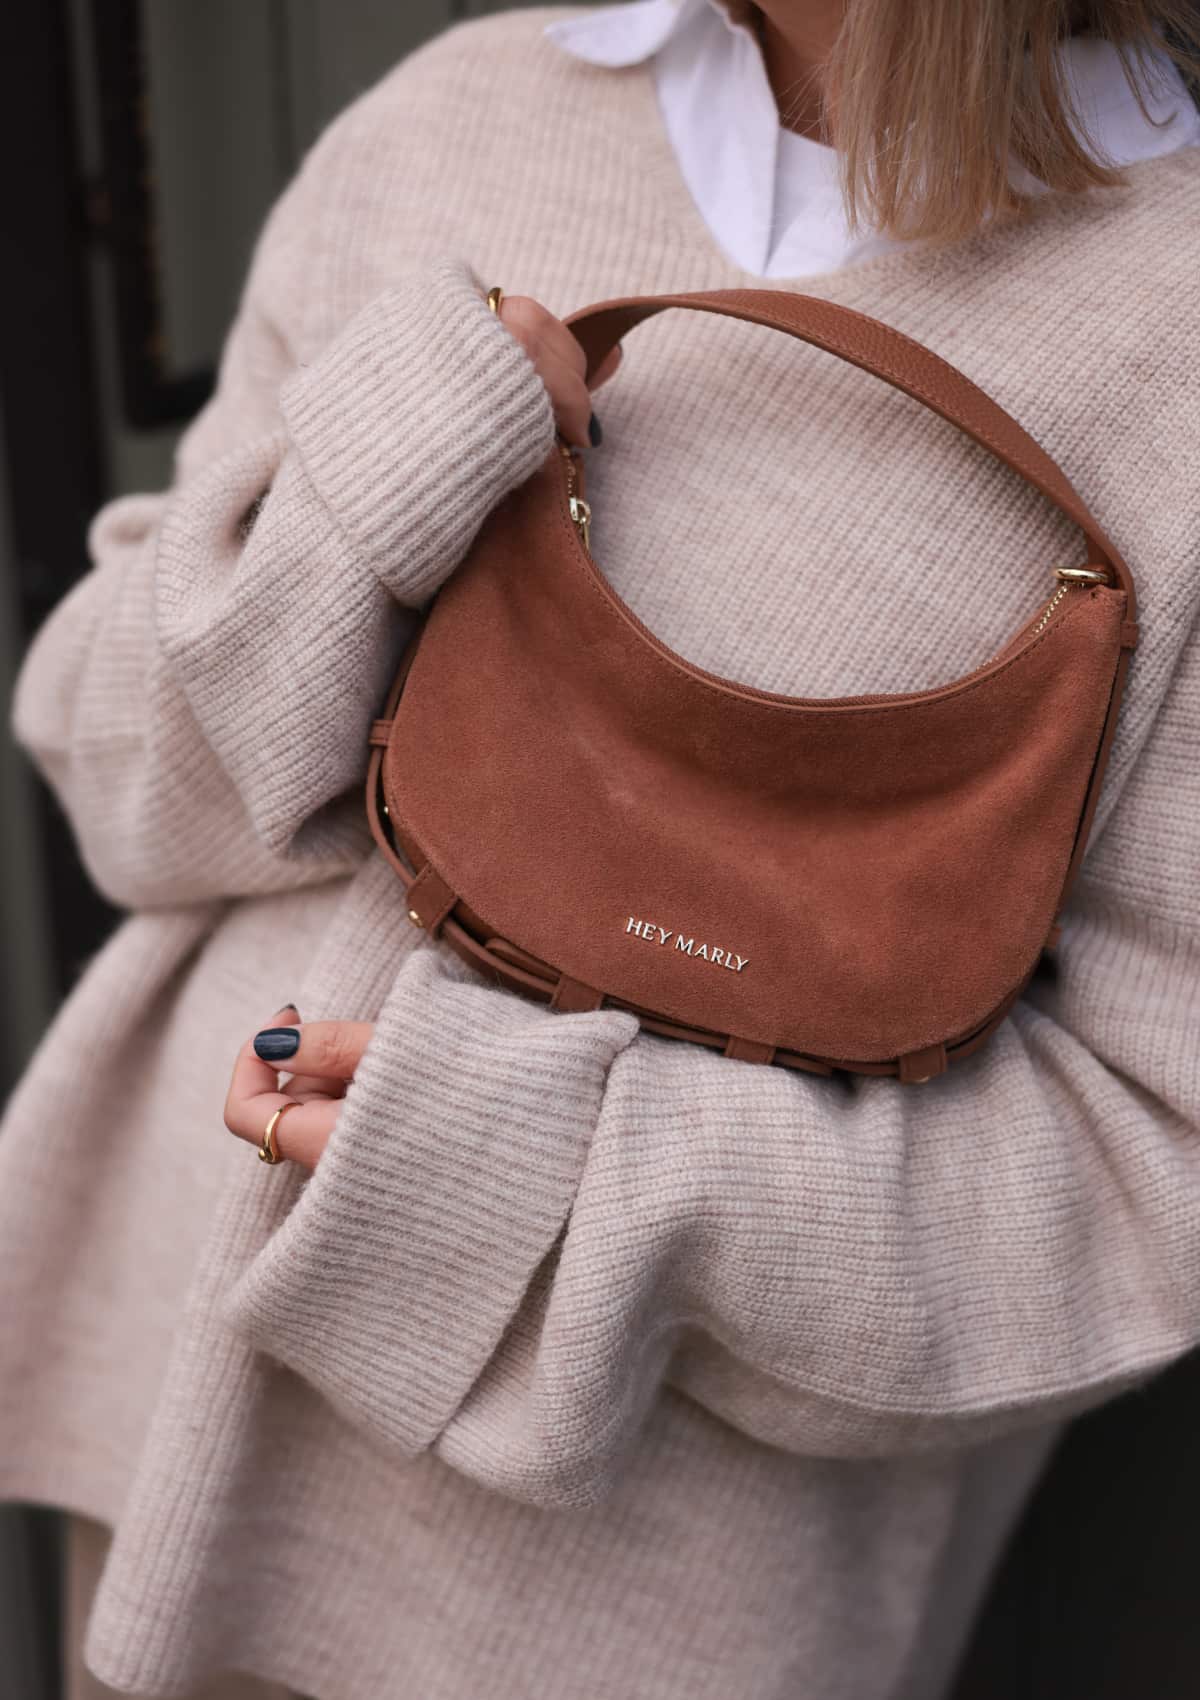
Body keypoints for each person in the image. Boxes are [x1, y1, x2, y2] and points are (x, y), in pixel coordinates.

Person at [3, 3, 1200, 1697]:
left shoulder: (1175, 332)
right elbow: (114, 776)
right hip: (152, 1427)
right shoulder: (460, 114)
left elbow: (1152, 1182)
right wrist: (367, 483)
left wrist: (560, 1183)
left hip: (606, 1618)